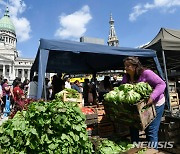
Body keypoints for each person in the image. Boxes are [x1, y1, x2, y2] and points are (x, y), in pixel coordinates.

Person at [121, 56, 166, 149]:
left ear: (135, 66)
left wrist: (152, 97)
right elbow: (121, 89)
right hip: (138, 106)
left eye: (127, 66)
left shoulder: (146, 73)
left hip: (156, 103)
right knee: (133, 127)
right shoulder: (126, 77)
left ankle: (153, 151)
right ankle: (135, 149)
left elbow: (162, 84)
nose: (125, 68)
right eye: (125, 66)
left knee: (151, 130)